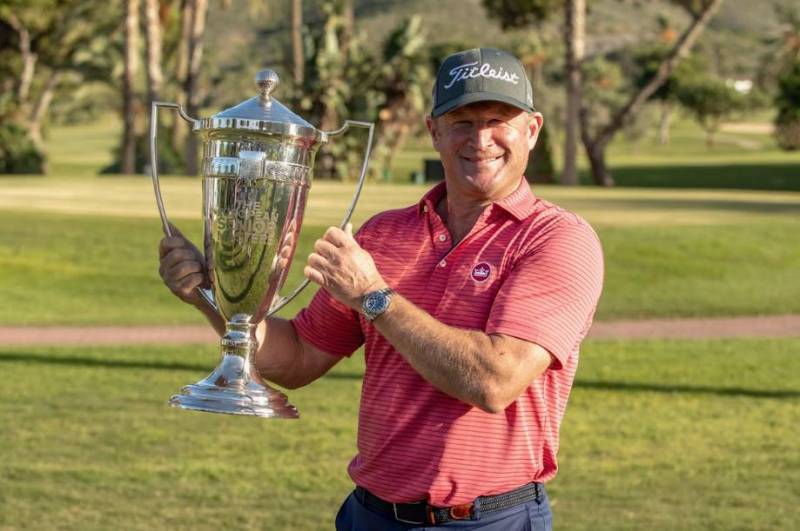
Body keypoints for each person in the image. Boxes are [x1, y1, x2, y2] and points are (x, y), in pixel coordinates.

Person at [159, 47, 604, 530]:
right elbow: (299, 358)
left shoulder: (558, 239)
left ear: (532, 130)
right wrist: (214, 298)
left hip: (487, 520)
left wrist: (374, 296)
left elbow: (494, 381)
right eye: (461, 122)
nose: (481, 139)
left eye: (498, 120)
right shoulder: (384, 235)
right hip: (370, 514)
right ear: (434, 132)